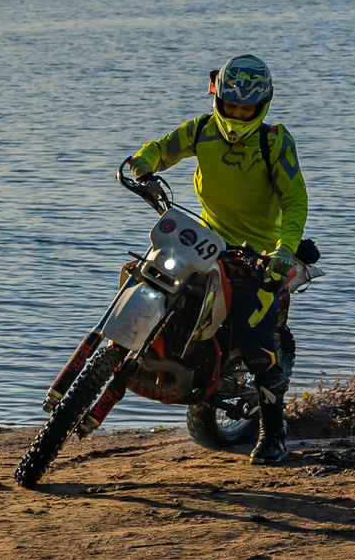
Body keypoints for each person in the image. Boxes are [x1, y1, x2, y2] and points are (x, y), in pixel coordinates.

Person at [126, 54, 309, 464]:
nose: (237, 114)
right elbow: (163, 149)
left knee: (255, 337)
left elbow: (295, 199)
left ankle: (274, 433)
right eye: (231, 105)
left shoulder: (275, 142)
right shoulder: (201, 129)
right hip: (206, 241)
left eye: (247, 108)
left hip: (259, 253)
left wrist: (284, 249)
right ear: (218, 99)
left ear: (262, 107)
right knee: (150, 277)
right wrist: (143, 163)